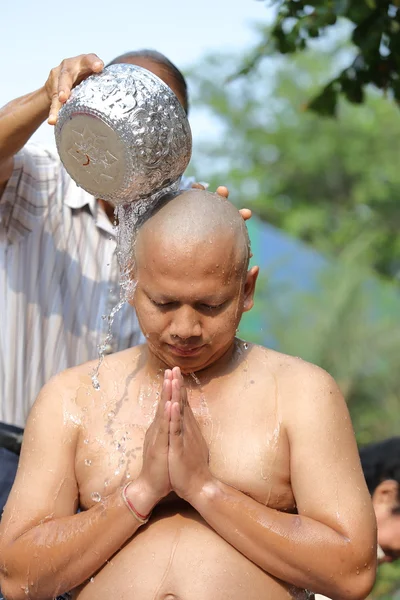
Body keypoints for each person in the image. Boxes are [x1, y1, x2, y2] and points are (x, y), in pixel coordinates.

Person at [0, 190, 377, 600]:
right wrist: (141, 492)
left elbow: (351, 572)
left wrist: (205, 489)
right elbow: (18, 576)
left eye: (210, 305)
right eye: (164, 302)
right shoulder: (72, 397)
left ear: (246, 290)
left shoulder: (302, 393)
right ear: (131, 280)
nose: (185, 327)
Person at [0, 51, 247, 512]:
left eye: (157, 115)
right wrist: (45, 94)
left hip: (108, 472)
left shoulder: (183, 220)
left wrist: (220, 250)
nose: (138, 124)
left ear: (180, 135)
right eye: (125, 101)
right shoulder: (39, 181)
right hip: (6, 449)